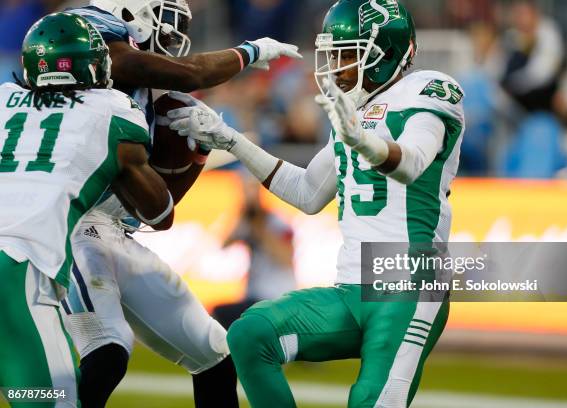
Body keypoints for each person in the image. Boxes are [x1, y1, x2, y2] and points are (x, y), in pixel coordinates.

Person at [170, 0, 465, 406]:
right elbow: (308, 193)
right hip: (351, 289)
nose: (338, 66)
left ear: (388, 54)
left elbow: (411, 163)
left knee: (369, 400)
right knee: (249, 335)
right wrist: (232, 140)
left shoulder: (427, 90)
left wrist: (363, 140)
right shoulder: (353, 111)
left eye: (350, 54)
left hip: (409, 286)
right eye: (335, 53)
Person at [59, 1, 302, 407]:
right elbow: (192, 73)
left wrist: (197, 153)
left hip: (109, 228)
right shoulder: (93, 43)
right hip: (67, 217)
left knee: (214, 353)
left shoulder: (142, 96)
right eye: (163, 19)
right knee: (106, 350)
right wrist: (251, 52)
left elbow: (159, 215)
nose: (170, 36)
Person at [0, 12, 174, 407]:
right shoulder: (112, 110)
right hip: (15, 273)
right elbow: (160, 214)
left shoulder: (2, 100)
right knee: (54, 401)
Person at [213, 174, 295, 330]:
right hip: (255, 295)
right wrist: (242, 217)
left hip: (276, 295)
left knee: (221, 315)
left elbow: (286, 259)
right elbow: (223, 244)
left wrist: (260, 228)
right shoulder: (246, 221)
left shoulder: (276, 221)